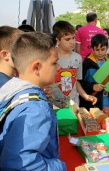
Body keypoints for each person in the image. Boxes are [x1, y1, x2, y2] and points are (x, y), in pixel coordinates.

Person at [0, 32, 66, 170]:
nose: (59, 67)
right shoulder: (36, 108)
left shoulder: (12, 90)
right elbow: (21, 164)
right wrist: (59, 166)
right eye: (54, 62)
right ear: (36, 67)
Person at [51, 21, 97, 109]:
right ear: (58, 40)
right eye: (67, 39)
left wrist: (85, 96)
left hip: (73, 103)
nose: (72, 42)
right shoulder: (50, 58)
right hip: (53, 104)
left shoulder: (78, 58)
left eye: (73, 38)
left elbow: (76, 81)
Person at [79, 34, 109, 111]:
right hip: (93, 102)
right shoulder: (87, 63)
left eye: (103, 49)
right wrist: (92, 86)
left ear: (107, 48)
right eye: (97, 50)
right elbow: (79, 83)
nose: (100, 53)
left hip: (108, 101)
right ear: (92, 49)